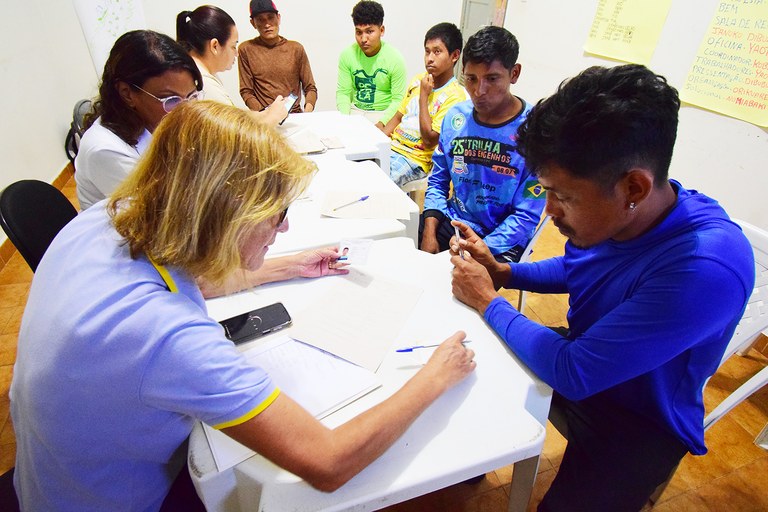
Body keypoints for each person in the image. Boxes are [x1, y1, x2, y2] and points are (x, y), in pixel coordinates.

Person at [11, 101, 476, 511]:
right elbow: (328, 462)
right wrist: (434, 377)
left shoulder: (109, 217)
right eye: (276, 217)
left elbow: (185, 275)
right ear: (228, 216)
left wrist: (287, 266)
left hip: (50, 479)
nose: (285, 230)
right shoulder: (169, 338)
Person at [449, 64, 755, 511]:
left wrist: (487, 300)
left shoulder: (705, 268)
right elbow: (580, 268)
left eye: (564, 196)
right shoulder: (628, 212)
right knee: (471, 364)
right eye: (545, 190)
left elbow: (575, 370)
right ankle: (480, 456)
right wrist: (504, 273)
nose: (549, 211)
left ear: (634, 186)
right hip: (588, 352)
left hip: (639, 417)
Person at [420, 26, 545, 262]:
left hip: (502, 238)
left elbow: (526, 214)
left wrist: (477, 250)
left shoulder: (536, 130)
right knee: (406, 261)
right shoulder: (455, 119)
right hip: (454, 221)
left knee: (462, 292)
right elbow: (437, 180)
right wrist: (429, 232)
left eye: (492, 79)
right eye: (471, 78)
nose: (479, 91)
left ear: (514, 73)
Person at [74, 30, 203, 211]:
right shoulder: (105, 151)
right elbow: (162, 214)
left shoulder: (157, 120)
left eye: (191, 96)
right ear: (127, 93)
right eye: (170, 100)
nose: (185, 110)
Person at [382, 22, 468, 188]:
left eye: (437, 52)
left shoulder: (455, 96)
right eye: (427, 51)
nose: (429, 58)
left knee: (378, 185)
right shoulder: (418, 79)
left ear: (455, 55)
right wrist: (377, 140)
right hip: (391, 148)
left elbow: (429, 140)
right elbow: (398, 117)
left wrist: (424, 96)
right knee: (357, 169)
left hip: (414, 159)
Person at [176, 5, 289, 124]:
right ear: (215, 46)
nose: (236, 53)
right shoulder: (202, 85)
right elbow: (235, 136)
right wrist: (273, 117)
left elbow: (233, 117)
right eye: (233, 46)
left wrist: (267, 113)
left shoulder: (197, 73)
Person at [336, 0, 407, 130]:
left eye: (369, 31)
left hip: (383, 113)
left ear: (382, 30)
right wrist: (344, 121)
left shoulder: (395, 58)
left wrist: (382, 123)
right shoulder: (347, 55)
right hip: (355, 111)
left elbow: (399, 100)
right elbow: (343, 93)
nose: (363, 39)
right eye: (359, 32)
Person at [238, 0, 317, 113]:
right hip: (264, 117)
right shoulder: (246, 49)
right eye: (260, 19)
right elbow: (246, 91)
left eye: (270, 17)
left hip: (295, 116)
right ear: (253, 23)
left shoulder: (296, 48)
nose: (267, 24)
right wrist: (264, 115)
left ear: (278, 18)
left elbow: (310, 87)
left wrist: (307, 112)